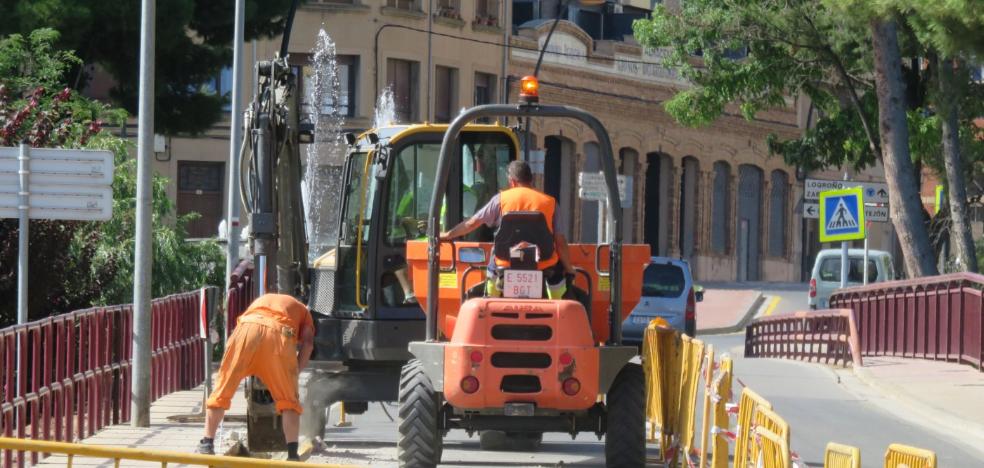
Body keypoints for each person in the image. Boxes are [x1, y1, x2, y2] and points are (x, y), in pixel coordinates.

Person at [197, 294, 315, 461]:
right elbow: (308, 345)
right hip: (278, 335)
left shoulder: (264, 300)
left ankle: (207, 443)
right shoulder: (305, 312)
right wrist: (293, 374)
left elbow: (258, 327)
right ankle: (292, 455)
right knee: (289, 402)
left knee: (222, 388)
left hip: (246, 330)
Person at [440, 160, 574, 299]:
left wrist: (449, 234)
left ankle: (491, 301)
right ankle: (557, 304)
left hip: (506, 262)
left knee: (493, 262)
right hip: (543, 264)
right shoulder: (550, 202)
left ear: (512, 181)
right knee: (557, 277)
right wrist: (569, 269)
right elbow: (560, 242)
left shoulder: (500, 200)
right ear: (531, 179)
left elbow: (472, 223)